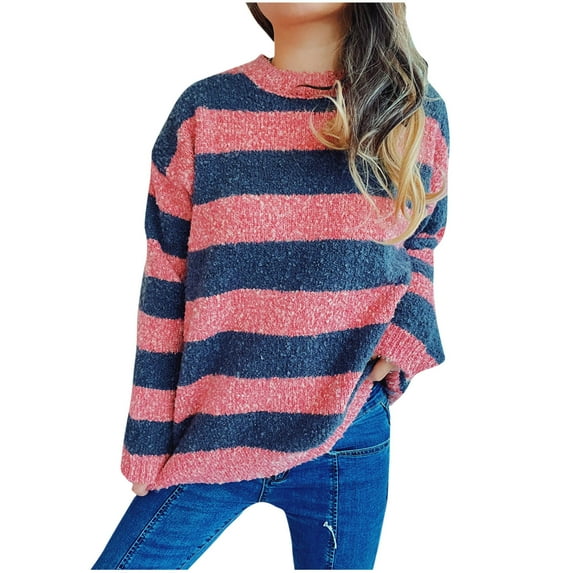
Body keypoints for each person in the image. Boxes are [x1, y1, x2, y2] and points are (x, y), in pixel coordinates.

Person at [92, 2, 449, 570]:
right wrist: (147, 439)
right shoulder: (205, 112)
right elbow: (165, 284)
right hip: (211, 435)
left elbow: (421, 241)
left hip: (347, 430)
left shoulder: (411, 111)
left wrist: (408, 333)